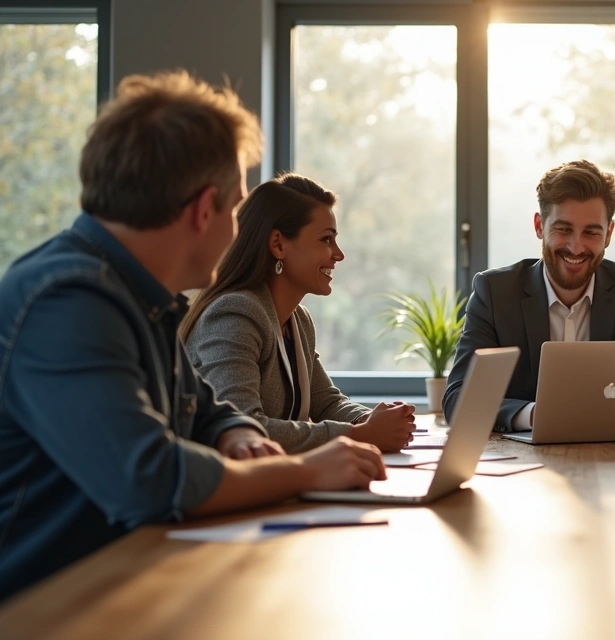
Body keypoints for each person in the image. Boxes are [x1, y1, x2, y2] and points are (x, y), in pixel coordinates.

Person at [0, 71, 386, 601]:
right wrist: (302, 470)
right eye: (235, 209)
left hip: (122, 581)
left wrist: (237, 435)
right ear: (205, 210)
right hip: (45, 606)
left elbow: (207, 411)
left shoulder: (139, 296)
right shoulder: (68, 301)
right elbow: (148, 478)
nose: (237, 230)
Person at [181, 173, 415, 453]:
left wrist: (374, 419)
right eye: (326, 240)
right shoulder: (235, 314)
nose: (338, 254)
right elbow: (244, 427)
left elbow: (326, 402)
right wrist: (359, 434)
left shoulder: (298, 320)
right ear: (278, 244)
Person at [443, 159, 615, 432]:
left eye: (591, 232)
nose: (576, 247)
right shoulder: (495, 293)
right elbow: (458, 399)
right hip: (523, 454)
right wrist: (534, 415)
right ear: (539, 225)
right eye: (563, 229)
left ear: (609, 233)